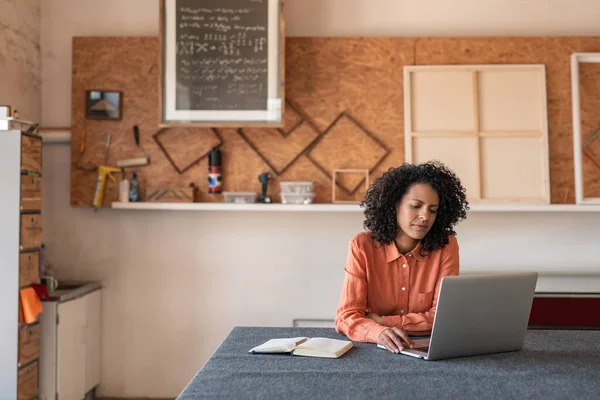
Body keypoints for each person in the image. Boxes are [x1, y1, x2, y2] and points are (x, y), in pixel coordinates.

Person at [334, 161, 469, 353]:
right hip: (373, 349)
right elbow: (346, 317)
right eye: (416, 206)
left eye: (433, 210)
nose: (425, 216)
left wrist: (383, 322)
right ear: (394, 204)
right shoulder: (362, 246)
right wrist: (378, 332)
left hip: (426, 349)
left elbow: (443, 317)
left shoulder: (446, 245)